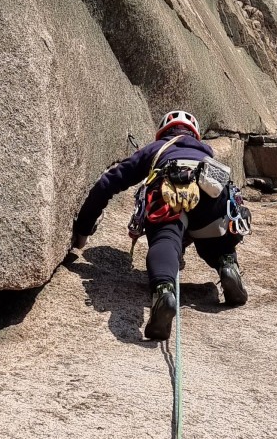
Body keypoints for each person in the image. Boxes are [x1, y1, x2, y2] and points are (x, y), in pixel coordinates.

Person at [69, 109, 250, 341]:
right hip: (210, 191)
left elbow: (108, 183)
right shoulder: (207, 153)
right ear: (194, 134)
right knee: (216, 233)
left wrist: (83, 229)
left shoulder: (155, 149)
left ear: (162, 132)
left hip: (168, 188)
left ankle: (164, 292)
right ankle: (227, 264)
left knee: (166, 237)